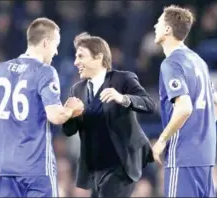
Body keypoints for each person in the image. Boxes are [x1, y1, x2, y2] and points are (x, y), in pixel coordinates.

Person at [0, 18, 83, 197]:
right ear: (46, 42)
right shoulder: (45, 72)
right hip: (36, 168)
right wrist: (71, 109)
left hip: (7, 168)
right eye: (55, 45)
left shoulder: (0, 69)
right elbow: (55, 116)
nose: (55, 52)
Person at [62, 32, 156, 197]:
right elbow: (69, 131)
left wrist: (123, 98)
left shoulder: (123, 79)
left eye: (81, 57)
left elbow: (149, 104)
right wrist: (70, 114)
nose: (76, 62)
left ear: (98, 57)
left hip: (122, 164)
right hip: (96, 169)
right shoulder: (77, 89)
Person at [152, 5, 217, 197]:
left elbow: (184, 108)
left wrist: (162, 140)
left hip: (183, 157)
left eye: (158, 22)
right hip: (206, 156)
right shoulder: (199, 61)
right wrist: (197, 132)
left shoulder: (171, 63)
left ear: (168, 29)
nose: (154, 25)